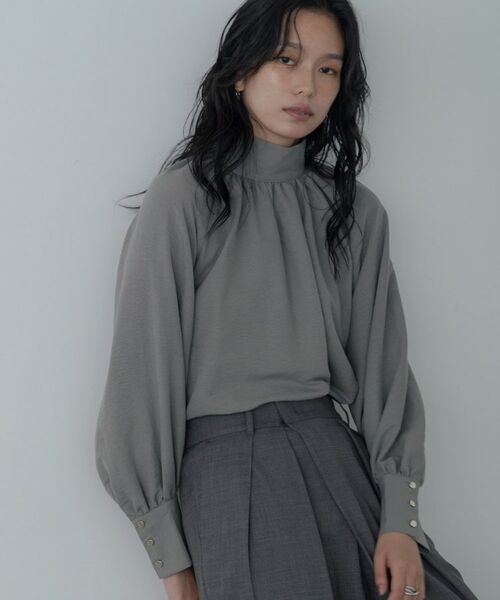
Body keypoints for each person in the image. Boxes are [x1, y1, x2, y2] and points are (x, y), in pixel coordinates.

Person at [94, 1, 479, 599]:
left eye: (328, 69)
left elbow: (382, 370)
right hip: (230, 477)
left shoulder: (353, 211)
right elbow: (141, 383)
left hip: (336, 455)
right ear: (239, 72)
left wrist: (400, 517)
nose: (307, 86)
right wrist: (171, 559)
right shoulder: (184, 200)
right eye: (286, 59)